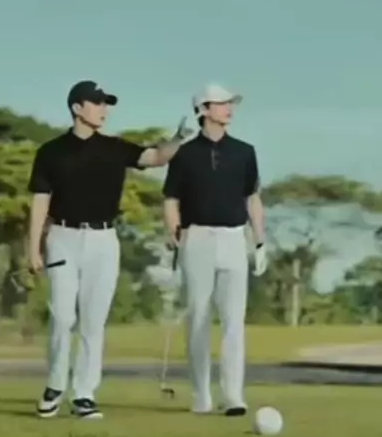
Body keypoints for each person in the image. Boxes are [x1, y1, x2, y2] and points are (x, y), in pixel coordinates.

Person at [28, 79, 189, 419]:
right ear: (77, 108)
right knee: (62, 316)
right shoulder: (51, 152)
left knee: (93, 321)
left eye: (106, 104)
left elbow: (156, 157)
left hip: (104, 240)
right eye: (97, 103)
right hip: (63, 237)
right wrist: (33, 249)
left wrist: (178, 138)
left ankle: (84, 394)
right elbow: (40, 202)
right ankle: (55, 385)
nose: (104, 109)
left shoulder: (115, 147)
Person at [162, 83, 267, 416]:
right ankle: (201, 395)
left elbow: (252, 198)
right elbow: (171, 199)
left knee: (234, 320)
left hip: (234, 238)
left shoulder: (245, 151)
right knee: (198, 317)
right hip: (197, 238)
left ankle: (233, 395)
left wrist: (259, 241)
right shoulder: (184, 154)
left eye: (230, 103)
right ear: (204, 109)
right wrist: (174, 235)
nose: (229, 108)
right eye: (222, 103)